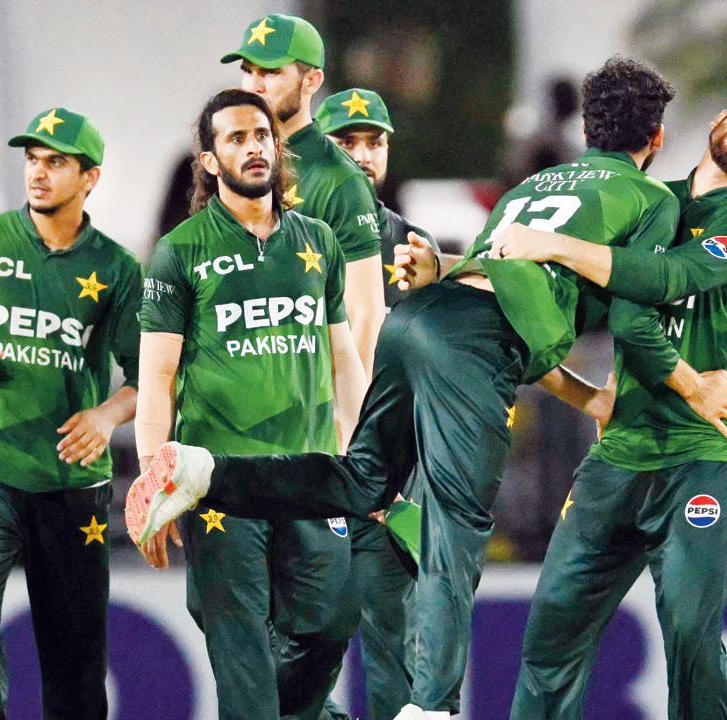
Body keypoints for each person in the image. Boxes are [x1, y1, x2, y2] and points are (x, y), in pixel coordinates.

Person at [127, 58, 727, 719]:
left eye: (373, 142)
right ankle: (433, 706)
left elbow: (496, 280)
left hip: (421, 323)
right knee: (455, 524)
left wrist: (587, 395)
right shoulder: (650, 200)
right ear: (654, 141)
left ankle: (204, 473)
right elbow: (629, 312)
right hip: (472, 350)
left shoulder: (531, 188)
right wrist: (691, 385)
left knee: (362, 479)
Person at [494, 78, 727, 719]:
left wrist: (554, 244)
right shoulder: (647, 201)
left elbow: (667, 279)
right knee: (551, 634)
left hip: (702, 452)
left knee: (692, 637)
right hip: (621, 450)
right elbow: (583, 305)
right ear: (720, 118)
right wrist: (445, 269)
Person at [133, 88, 367, 720]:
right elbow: (157, 377)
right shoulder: (181, 250)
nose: (253, 147)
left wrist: (366, 458)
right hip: (221, 484)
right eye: (235, 139)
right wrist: (155, 477)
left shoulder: (316, 240)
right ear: (209, 161)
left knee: (332, 621)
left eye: (261, 135)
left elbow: (343, 356)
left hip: (309, 474)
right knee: (242, 662)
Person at [0, 107, 141, 720]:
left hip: (71, 487)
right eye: (32, 160)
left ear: (90, 177)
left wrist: (105, 416)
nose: (38, 174)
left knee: (75, 663)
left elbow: (150, 379)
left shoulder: (118, 269)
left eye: (56, 162)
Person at [315, 86, 438, 718]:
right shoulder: (289, 238)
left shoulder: (414, 245)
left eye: (375, 142)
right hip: (308, 464)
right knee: (300, 646)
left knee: (397, 645)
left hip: (390, 477)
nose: (363, 156)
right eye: (346, 142)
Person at [223, 14, 386, 380]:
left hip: (300, 406)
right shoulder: (224, 162)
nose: (254, 85)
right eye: (248, 70)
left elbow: (365, 312)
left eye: (271, 73)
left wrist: (345, 423)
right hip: (228, 397)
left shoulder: (337, 178)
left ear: (311, 80)